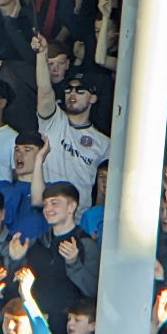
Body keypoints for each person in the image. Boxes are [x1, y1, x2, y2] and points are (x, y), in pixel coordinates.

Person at [9, 182, 99, 334]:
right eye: (45, 205)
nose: (48, 209)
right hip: (34, 326)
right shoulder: (36, 243)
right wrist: (16, 259)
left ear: (71, 207)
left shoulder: (85, 244)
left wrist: (73, 263)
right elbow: (15, 286)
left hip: (67, 331)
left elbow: (93, 290)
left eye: (54, 203)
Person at [33, 34, 109, 210]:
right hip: (45, 211)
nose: (72, 94)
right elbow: (44, 91)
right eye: (69, 90)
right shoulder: (53, 120)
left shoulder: (105, 143)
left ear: (93, 98)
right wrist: (41, 54)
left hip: (80, 218)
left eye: (80, 90)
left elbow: (105, 186)